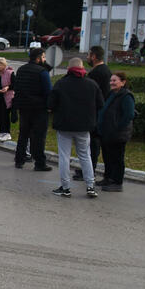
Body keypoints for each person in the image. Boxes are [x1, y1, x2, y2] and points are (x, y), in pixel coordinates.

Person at [48, 57, 103, 198]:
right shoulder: (92, 84)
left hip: (64, 125)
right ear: (82, 68)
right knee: (85, 156)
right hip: (84, 126)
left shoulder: (61, 84)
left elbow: (50, 104)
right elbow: (100, 104)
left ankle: (65, 187)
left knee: (64, 156)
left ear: (69, 69)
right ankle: (90, 186)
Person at [12, 48, 52, 171]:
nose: (45, 60)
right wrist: (50, 106)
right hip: (39, 108)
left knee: (23, 134)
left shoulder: (21, 69)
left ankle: (19, 160)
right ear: (38, 58)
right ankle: (39, 162)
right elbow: (48, 91)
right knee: (39, 136)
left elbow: (16, 88)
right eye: (44, 57)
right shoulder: (42, 72)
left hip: (24, 107)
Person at [75, 45, 111, 182]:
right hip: (98, 111)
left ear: (94, 57)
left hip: (95, 113)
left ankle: (89, 170)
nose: (87, 58)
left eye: (89, 55)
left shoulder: (97, 73)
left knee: (92, 144)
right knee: (91, 143)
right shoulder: (104, 70)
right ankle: (88, 168)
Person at [97, 72, 135, 192]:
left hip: (118, 134)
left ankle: (117, 182)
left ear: (123, 82)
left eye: (115, 81)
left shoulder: (126, 96)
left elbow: (129, 115)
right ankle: (108, 177)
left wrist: (117, 127)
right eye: (111, 81)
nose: (112, 83)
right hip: (107, 132)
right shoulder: (111, 94)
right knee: (107, 156)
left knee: (117, 158)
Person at [0, 57, 15, 142]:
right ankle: (1, 131)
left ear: (4, 65)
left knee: (5, 115)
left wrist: (8, 87)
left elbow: (15, 84)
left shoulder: (10, 73)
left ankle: (7, 133)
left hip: (7, 97)